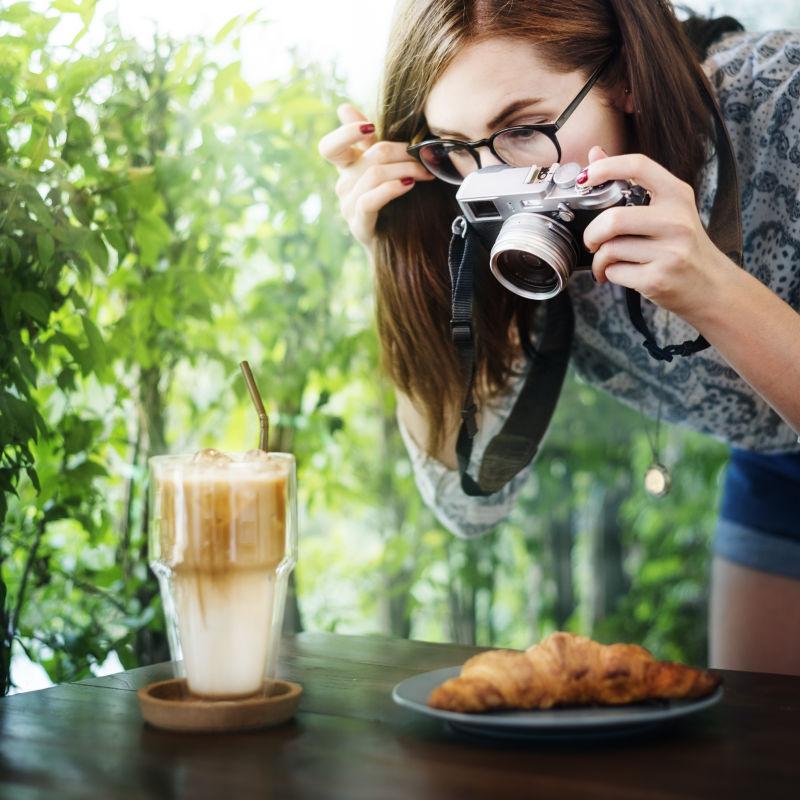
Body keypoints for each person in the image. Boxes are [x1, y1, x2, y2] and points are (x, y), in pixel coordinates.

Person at [318, 0, 800, 675]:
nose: (496, 180)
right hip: (771, 461)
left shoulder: (782, 102)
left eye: (523, 129)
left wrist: (712, 289)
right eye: (456, 146)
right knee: (767, 741)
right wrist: (406, 256)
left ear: (625, 74)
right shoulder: (468, 198)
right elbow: (469, 505)